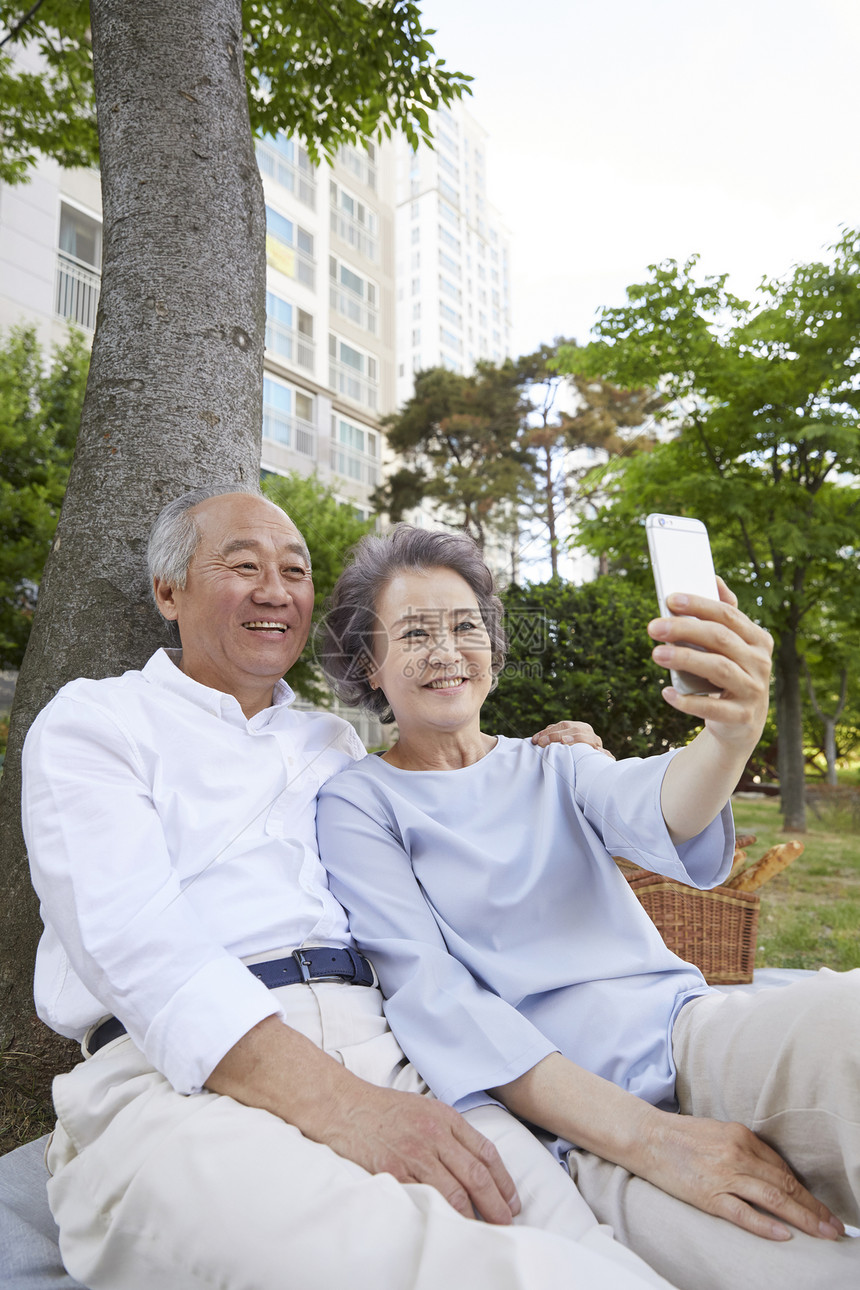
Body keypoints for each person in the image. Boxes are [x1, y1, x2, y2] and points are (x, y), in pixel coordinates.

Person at [21, 483, 678, 1290]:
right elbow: (138, 949)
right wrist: (346, 1110)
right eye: (243, 565)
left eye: (295, 571)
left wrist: (550, 752)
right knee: (451, 1271)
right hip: (175, 1075)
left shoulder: (336, 746)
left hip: (390, 1052)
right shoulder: (95, 724)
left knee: (587, 1250)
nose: (276, 589)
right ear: (168, 591)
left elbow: (451, 810)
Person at [315, 523, 860, 1290]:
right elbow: (433, 996)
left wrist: (729, 736)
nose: (446, 649)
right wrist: (649, 1138)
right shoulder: (360, 800)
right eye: (413, 632)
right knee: (801, 1269)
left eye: (465, 625)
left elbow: (659, 804)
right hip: (582, 1131)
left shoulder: (556, 762)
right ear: (368, 663)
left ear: (493, 648)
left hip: (687, 1037)